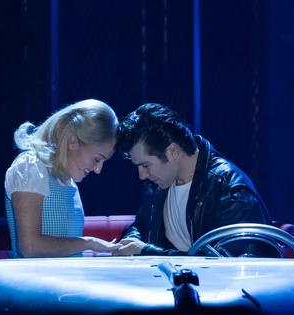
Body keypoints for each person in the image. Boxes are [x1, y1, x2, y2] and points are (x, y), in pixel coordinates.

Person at [112, 102, 272, 257]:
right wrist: (130, 241)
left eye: (146, 165)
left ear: (172, 151)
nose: (142, 175)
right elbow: (141, 226)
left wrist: (147, 251)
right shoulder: (160, 183)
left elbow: (227, 263)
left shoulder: (227, 189)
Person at [4, 99, 124, 258]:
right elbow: (30, 247)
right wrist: (88, 243)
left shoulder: (67, 179)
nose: (98, 169)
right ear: (73, 141)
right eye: (97, 159)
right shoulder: (31, 167)